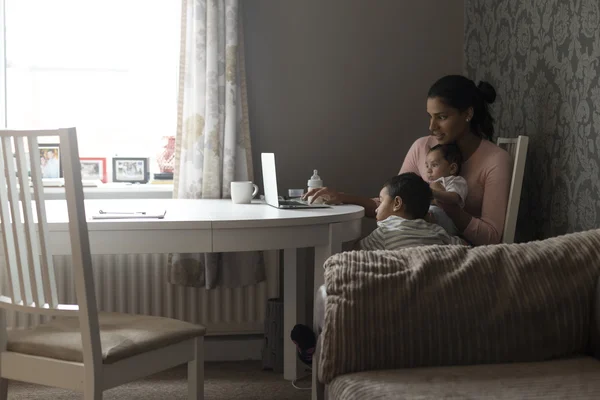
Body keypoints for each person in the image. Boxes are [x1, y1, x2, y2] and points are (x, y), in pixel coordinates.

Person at [304, 75, 512, 245]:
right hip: (416, 250)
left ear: (467, 114)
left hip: (463, 258)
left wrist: (444, 201)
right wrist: (340, 197)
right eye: (429, 117)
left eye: (441, 117)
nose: (432, 127)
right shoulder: (422, 147)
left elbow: (491, 237)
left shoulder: (495, 160)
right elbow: (393, 202)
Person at [355, 173, 465, 250]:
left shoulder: (384, 231)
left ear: (397, 203)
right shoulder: (436, 229)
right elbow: (462, 246)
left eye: (381, 201)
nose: (376, 208)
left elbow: (356, 252)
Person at [426, 143, 468, 236]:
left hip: (447, 221)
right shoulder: (430, 183)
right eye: (427, 166)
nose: (429, 170)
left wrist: (433, 193)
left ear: (452, 168)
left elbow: (454, 197)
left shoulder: (455, 180)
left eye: (434, 165)